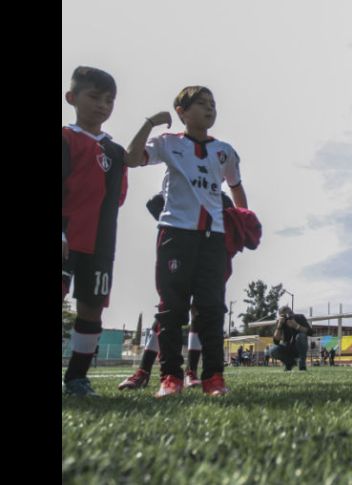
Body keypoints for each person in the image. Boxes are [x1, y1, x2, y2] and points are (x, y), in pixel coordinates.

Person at [126, 85, 249, 397]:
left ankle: (213, 378)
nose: (210, 109)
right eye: (201, 104)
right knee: (172, 310)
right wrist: (149, 123)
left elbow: (235, 185)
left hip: (213, 239)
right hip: (175, 235)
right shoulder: (168, 143)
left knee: (211, 309)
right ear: (181, 111)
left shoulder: (224, 150)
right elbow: (130, 158)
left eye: (213, 104)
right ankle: (170, 377)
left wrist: (244, 217)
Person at [117, 190, 259, 390]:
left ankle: (190, 372)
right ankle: (145, 370)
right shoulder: (182, 185)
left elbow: (240, 220)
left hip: (212, 260)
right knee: (170, 309)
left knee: (202, 312)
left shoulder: (220, 197)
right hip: (183, 252)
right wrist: (177, 229)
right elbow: (154, 204)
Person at [62, 66, 128, 396]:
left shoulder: (115, 152)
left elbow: (118, 198)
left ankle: (77, 378)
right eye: (94, 97)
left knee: (92, 307)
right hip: (66, 236)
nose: (103, 105)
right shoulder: (65, 138)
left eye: (109, 100)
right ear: (72, 98)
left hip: (101, 243)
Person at [269, 306, 315, 371]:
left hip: (299, 348)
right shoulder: (281, 322)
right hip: (287, 347)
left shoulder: (300, 317)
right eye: (284, 315)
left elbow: (310, 332)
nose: (288, 316)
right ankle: (289, 363)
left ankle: (302, 365)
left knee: (300, 336)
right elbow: (276, 341)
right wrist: (279, 326)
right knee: (272, 350)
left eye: (289, 312)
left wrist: (297, 326)